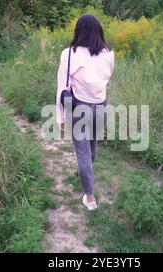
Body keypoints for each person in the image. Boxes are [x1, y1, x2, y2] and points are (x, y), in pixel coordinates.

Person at [56, 14, 115, 211]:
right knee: (92, 145)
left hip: (80, 107)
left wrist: (61, 118)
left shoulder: (69, 54)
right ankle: (87, 173)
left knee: (82, 153)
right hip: (101, 107)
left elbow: (62, 87)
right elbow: (105, 78)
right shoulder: (108, 54)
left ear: (78, 31)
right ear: (99, 31)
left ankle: (90, 198)